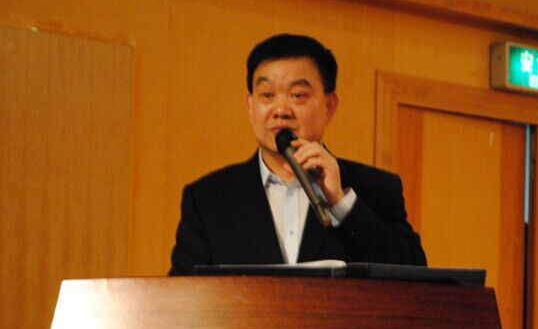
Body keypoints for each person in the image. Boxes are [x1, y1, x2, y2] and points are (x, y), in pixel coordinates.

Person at [169, 34, 426, 275]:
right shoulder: (208, 199)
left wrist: (340, 202)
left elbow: (414, 278)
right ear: (250, 106)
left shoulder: (375, 189)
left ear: (329, 106)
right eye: (267, 95)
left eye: (298, 95)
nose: (281, 110)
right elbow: (180, 294)